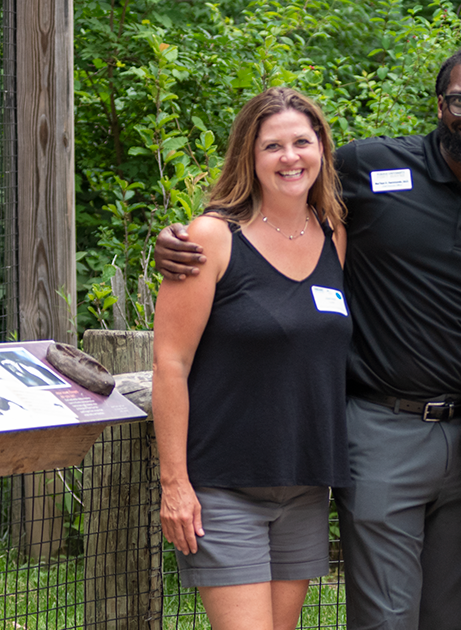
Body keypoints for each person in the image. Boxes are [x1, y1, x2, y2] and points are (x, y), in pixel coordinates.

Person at [153, 45, 461, 630]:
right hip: (379, 428)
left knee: (449, 616)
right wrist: (179, 237)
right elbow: (270, 206)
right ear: (441, 105)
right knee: (385, 618)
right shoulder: (368, 167)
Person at [151, 87, 351, 630]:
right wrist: (175, 484)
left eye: (302, 142)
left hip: (305, 485)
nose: (290, 157)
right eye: (273, 146)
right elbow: (170, 364)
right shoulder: (212, 237)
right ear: (249, 155)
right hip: (224, 488)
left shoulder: (334, 235)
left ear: (322, 149)